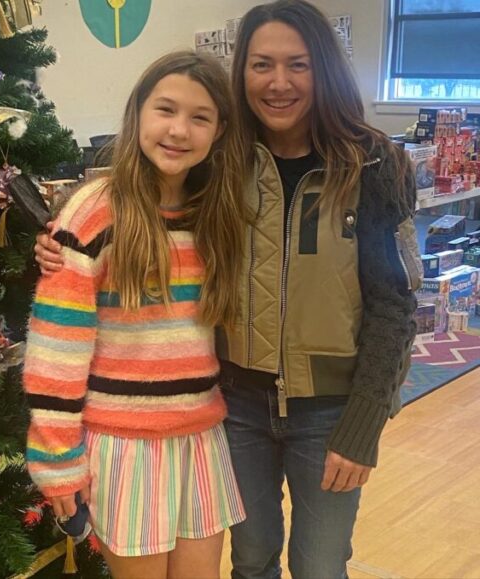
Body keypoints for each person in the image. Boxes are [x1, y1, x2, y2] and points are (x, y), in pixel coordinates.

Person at [34, 2, 422, 578]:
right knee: (250, 560)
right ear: (241, 72)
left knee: (319, 565)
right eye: (262, 64)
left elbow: (396, 303)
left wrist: (365, 422)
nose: (279, 81)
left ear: (325, 68)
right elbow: (134, 196)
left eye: (298, 64)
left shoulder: (373, 163)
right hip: (232, 408)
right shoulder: (223, 161)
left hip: (327, 412)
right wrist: (56, 244)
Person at [23, 51, 247, 579]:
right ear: (137, 114)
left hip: (199, 437)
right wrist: (58, 463)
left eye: (200, 117)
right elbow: (57, 349)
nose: (179, 130)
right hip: (124, 446)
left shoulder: (218, 210)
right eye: (165, 109)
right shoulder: (95, 210)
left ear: (219, 131)